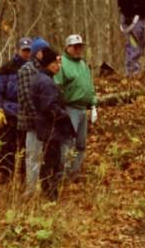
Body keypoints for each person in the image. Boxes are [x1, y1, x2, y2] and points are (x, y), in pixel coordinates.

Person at [30, 47, 75, 200]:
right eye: (55, 63)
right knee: (52, 161)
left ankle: (49, 192)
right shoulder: (45, 82)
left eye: (58, 63)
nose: (58, 66)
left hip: (47, 127)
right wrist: (64, 116)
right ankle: (50, 194)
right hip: (50, 128)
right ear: (48, 63)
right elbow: (49, 107)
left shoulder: (44, 79)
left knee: (51, 160)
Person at [55, 34, 97, 178]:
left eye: (80, 47)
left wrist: (93, 105)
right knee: (68, 141)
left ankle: (75, 171)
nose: (78, 50)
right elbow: (57, 87)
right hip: (69, 108)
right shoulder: (62, 64)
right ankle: (64, 172)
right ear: (68, 48)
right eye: (75, 47)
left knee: (81, 143)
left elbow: (90, 86)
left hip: (83, 109)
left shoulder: (83, 65)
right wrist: (60, 109)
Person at [0, 37, 31, 181]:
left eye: (29, 51)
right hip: (9, 111)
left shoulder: (35, 67)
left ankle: (24, 175)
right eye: (24, 50)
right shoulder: (7, 68)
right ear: (17, 50)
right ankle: (5, 174)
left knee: (26, 146)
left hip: (27, 113)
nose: (27, 54)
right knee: (7, 145)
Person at [16, 36, 49, 195]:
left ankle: (42, 187)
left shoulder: (47, 69)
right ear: (37, 53)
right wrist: (38, 118)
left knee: (44, 156)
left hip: (45, 120)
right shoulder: (26, 70)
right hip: (32, 122)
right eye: (44, 51)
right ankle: (31, 190)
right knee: (33, 156)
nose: (46, 53)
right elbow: (25, 98)